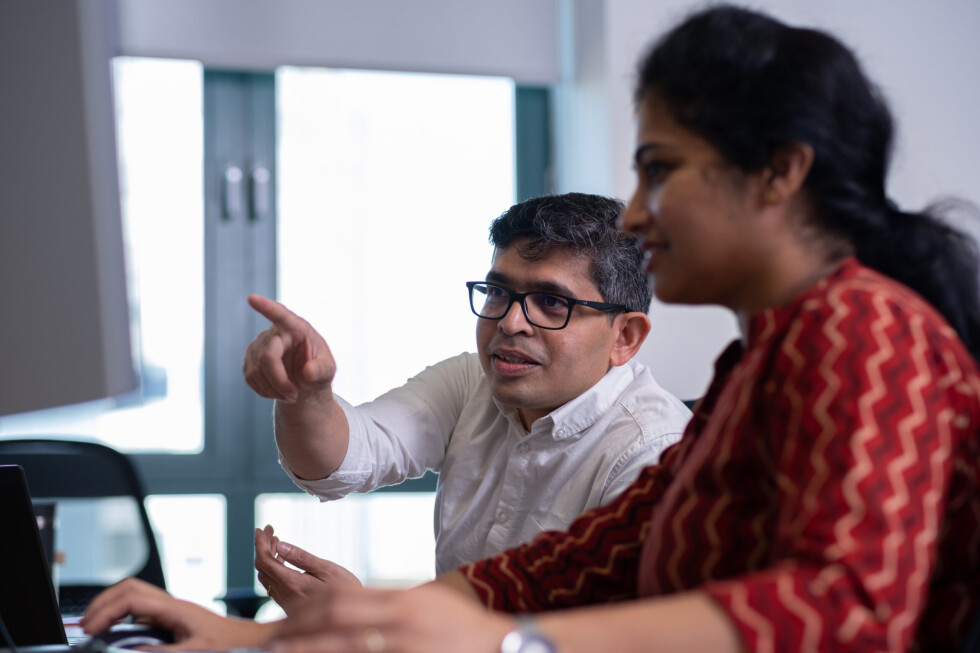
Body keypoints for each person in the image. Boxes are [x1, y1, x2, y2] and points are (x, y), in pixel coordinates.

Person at [81, 5, 980, 652]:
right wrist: (262, 639)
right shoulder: (767, 358)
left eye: (660, 170)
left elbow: (844, 613)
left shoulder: (864, 327)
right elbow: (577, 562)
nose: (637, 212)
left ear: (780, 172)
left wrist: (510, 643)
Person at [244, 192, 691, 613]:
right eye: (498, 292)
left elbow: (592, 640)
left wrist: (372, 627)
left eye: (552, 302)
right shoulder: (472, 380)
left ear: (625, 337)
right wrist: (306, 395)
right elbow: (340, 462)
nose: (511, 321)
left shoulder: (655, 453)